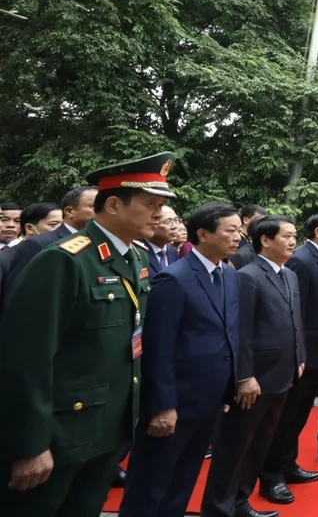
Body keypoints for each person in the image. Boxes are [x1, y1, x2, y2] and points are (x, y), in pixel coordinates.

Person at [0, 154, 171, 517]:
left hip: (108, 429)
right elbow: (25, 359)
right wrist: (29, 445)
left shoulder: (136, 258)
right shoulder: (64, 260)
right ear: (112, 205)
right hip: (60, 436)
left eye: (161, 206)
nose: (159, 214)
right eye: (151, 204)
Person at [120, 201, 242, 517]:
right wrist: (162, 405)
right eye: (230, 230)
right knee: (150, 486)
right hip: (174, 405)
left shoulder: (228, 274)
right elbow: (159, 348)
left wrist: (228, 387)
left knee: (182, 482)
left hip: (209, 400)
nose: (238, 237)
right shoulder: (175, 279)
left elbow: (228, 334)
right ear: (202, 233)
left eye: (239, 230)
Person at [201, 215, 304, 517]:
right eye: (286, 236)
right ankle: (218, 508)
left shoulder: (290, 274)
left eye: (295, 236)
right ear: (265, 240)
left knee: (260, 443)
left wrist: (300, 356)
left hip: (282, 373)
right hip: (256, 378)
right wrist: (245, 375)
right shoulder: (248, 276)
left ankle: (240, 502)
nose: (293, 241)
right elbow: (240, 331)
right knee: (235, 447)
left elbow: (296, 321)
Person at [258, 210, 318, 505]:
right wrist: (300, 355)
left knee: (299, 416)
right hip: (301, 357)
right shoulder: (303, 261)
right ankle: (271, 475)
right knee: (284, 419)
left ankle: (288, 463)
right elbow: (297, 315)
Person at [0, 186, 96, 303]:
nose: (102, 211)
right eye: (94, 206)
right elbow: (21, 296)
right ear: (69, 211)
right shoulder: (39, 244)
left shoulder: (97, 242)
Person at [143, 204, 181, 276]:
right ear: (152, 224)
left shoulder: (173, 252)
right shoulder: (138, 252)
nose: (175, 226)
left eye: (176, 220)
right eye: (168, 222)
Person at [231, 204, 267, 270]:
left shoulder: (255, 241)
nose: (262, 224)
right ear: (245, 220)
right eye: (258, 220)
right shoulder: (235, 241)